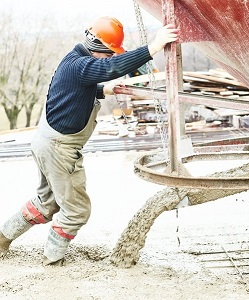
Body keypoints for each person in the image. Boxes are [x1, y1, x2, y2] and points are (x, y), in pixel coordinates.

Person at [0, 16, 179, 266]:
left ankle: (2, 239)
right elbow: (111, 68)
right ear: (102, 49)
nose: (109, 58)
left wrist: (103, 90)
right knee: (76, 211)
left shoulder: (72, 61)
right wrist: (154, 46)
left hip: (45, 143)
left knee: (46, 203)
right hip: (59, 149)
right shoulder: (81, 66)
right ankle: (52, 261)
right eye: (110, 54)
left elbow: (74, 90)